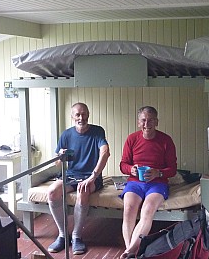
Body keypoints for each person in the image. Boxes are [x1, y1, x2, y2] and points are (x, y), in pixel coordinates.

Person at [47, 102, 110, 255]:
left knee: (83, 190)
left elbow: (105, 152)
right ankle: (63, 235)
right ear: (72, 116)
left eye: (84, 114)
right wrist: (60, 156)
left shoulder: (97, 131)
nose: (81, 117)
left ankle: (76, 236)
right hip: (71, 175)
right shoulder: (66, 134)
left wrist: (93, 176)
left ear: (88, 114)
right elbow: (57, 161)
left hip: (91, 177)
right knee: (52, 192)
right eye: (77, 114)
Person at [119, 106, 177, 259]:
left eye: (151, 120)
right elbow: (123, 164)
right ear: (139, 122)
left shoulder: (166, 140)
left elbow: (172, 169)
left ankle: (130, 251)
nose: (147, 123)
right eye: (144, 120)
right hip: (135, 182)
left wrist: (158, 172)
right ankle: (129, 249)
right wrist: (131, 169)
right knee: (129, 209)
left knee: (147, 210)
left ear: (156, 122)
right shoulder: (132, 139)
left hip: (157, 183)